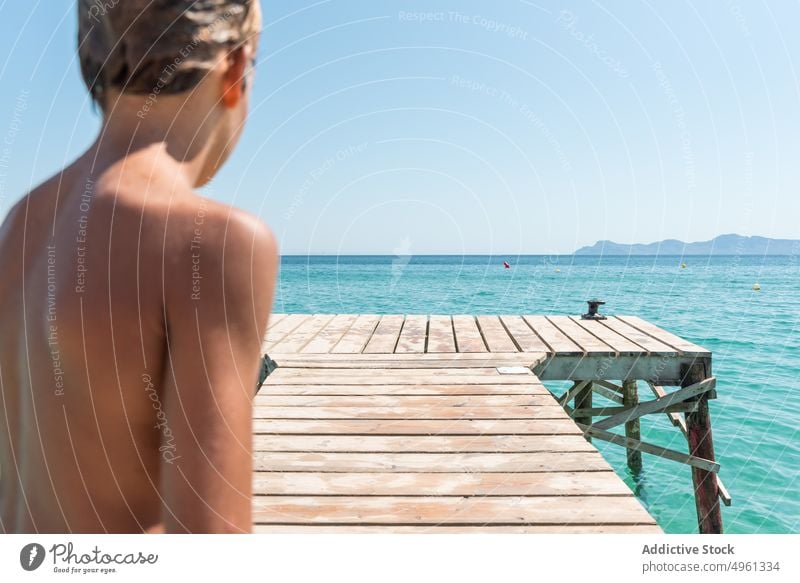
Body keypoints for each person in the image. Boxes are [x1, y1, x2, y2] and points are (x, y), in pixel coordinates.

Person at [0, 0, 276, 533]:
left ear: (94, 67)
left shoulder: (17, 228)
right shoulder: (212, 242)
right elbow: (207, 539)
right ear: (236, 69)